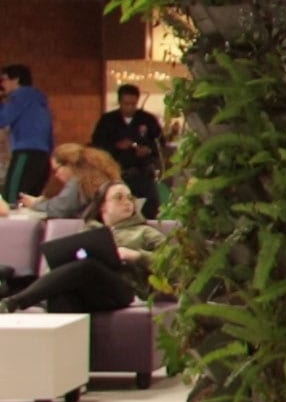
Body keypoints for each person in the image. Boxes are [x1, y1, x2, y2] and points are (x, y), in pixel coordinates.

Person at [0, 181, 165, 314]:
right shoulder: (90, 230)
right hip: (91, 291)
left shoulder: (145, 232)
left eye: (130, 198)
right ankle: (65, 354)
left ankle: (13, 302)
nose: (127, 202)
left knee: (88, 266)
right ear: (103, 206)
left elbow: (173, 264)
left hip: (126, 289)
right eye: (119, 197)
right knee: (62, 296)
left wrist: (135, 255)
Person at [91, 84, 164, 219]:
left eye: (133, 104)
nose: (130, 107)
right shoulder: (107, 120)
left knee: (150, 211)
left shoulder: (147, 120)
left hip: (142, 173)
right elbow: (97, 145)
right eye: (126, 103)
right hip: (115, 174)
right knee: (114, 211)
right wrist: (116, 146)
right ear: (119, 102)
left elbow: (160, 143)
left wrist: (148, 150)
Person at [17, 144, 123, 219]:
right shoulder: (100, 175)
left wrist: (35, 203)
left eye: (56, 170)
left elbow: (60, 209)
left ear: (69, 165)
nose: (56, 175)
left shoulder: (79, 181)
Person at [0, 64, 53, 204]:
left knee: (12, 196)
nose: (2, 84)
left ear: (16, 80)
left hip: (26, 151)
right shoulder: (38, 99)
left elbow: (2, 120)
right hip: (43, 155)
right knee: (29, 199)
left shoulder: (20, 96)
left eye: (4, 80)